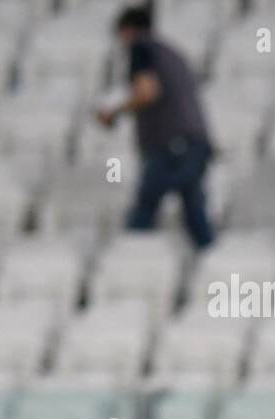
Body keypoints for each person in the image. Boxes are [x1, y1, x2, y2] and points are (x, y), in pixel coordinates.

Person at [96, 4, 216, 249]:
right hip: (192, 143)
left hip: (170, 146)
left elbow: (147, 92)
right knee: (194, 214)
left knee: (144, 211)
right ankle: (215, 267)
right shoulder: (170, 52)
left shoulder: (142, 48)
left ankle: (131, 264)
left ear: (128, 30)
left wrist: (113, 112)